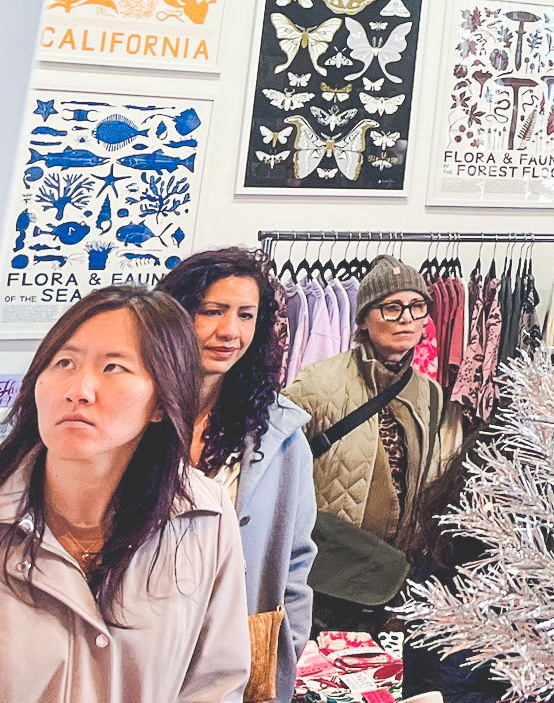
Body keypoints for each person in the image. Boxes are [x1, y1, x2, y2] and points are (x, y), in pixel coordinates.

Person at [0, 286, 250, 702]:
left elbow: (215, 684)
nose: (79, 389)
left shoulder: (204, 516)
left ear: (161, 401)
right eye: (64, 362)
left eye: (113, 367)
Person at [160, 247, 318, 702]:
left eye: (246, 315)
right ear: (175, 315)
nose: (231, 330)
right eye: (213, 311)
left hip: (231, 654)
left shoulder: (279, 434)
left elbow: (296, 559)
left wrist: (285, 649)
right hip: (136, 642)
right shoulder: (132, 413)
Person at [286, 253, 463, 627]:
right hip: (324, 575)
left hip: (390, 577)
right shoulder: (318, 382)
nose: (406, 319)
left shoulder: (430, 393)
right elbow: (275, 470)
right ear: (364, 319)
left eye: (416, 307)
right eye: (391, 308)